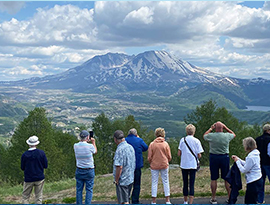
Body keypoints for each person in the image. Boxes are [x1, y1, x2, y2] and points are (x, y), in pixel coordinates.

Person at [203, 121, 236, 204]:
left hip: (214, 157)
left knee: (214, 178)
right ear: (222, 128)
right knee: (226, 178)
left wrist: (211, 128)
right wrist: (226, 128)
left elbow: (204, 135)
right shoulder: (227, 136)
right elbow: (233, 134)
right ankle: (229, 197)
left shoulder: (212, 136)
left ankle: (213, 198)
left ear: (215, 128)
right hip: (224, 157)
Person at [232, 137, 263, 204]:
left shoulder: (250, 157)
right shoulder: (256, 154)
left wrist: (237, 162)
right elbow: (248, 164)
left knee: (249, 201)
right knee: (254, 200)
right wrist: (239, 159)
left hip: (253, 181)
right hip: (258, 179)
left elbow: (244, 170)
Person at [178, 124, 204, 204]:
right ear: (194, 131)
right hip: (193, 165)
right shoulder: (196, 141)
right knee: (191, 183)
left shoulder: (182, 140)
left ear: (186, 131)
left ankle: (185, 201)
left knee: (185, 183)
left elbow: (179, 153)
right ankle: (191, 202)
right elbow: (199, 154)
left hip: (184, 164)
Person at [21, 135, 48, 204]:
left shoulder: (24, 155)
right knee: (38, 196)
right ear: (36, 144)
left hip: (28, 178)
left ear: (28, 144)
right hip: (39, 177)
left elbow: (22, 167)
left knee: (25, 196)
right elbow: (45, 165)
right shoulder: (41, 153)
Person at [148, 127, 172, 204]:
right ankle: (167, 200)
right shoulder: (165, 144)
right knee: (165, 181)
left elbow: (149, 157)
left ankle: (154, 200)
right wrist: (166, 160)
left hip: (154, 165)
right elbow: (169, 156)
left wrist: (151, 162)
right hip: (164, 164)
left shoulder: (152, 144)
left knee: (154, 182)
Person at [74, 130, 97, 204]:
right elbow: (95, 151)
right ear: (88, 137)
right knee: (89, 189)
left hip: (79, 169)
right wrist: (93, 142)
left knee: (79, 190)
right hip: (89, 170)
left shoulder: (75, 146)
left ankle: (79, 203)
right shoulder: (90, 146)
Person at [125, 128, 148, 204]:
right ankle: (135, 200)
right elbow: (145, 147)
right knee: (137, 184)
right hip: (137, 165)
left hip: (127, 166)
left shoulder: (125, 140)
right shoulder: (139, 140)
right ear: (136, 134)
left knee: (127, 184)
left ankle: (126, 200)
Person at [113, 130, 136, 204]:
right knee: (127, 198)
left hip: (122, 180)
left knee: (124, 201)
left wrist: (116, 180)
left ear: (115, 139)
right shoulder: (130, 147)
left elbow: (119, 166)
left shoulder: (119, 150)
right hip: (130, 178)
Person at [256, 124, 270, 204]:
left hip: (260, 163)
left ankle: (260, 200)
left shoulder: (257, 139)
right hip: (268, 163)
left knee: (261, 184)